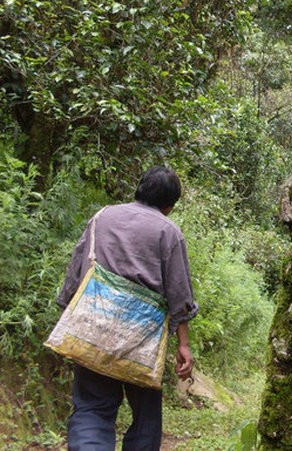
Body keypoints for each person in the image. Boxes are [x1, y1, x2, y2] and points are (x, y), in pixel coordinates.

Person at [57, 166, 199, 451]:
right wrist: (183, 344)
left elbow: (77, 267)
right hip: (143, 336)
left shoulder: (102, 216)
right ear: (170, 205)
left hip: (93, 327)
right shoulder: (169, 231)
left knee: (92, 408)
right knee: (145, 414)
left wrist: (66, 310)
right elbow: (179, 293)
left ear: (140, 189)